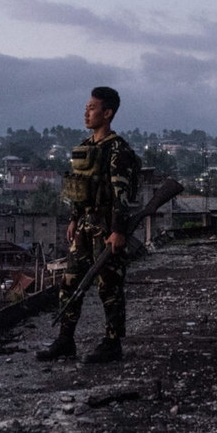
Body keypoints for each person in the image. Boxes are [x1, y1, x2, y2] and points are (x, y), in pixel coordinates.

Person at [36, 86, 140, 364]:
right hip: (84, 227)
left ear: (108, 113)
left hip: (106, 228)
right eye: (86, 107)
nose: (86, 111)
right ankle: (65, 340)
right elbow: (79, 188)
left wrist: (118, 230)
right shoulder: (86, 148)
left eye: (92, 108)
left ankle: (112, 342)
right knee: (69, 283)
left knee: (109, 287)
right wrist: (73, 219)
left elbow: (122, 194)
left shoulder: (118, 150)